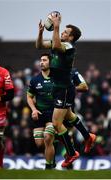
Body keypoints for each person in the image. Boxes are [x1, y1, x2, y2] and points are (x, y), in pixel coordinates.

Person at [36, 12, 96, 168]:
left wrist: (56, 25)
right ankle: (88, 136)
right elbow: (39, 45)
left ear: (71, 38)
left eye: (65, 32)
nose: (62, 32)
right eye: (62, 31)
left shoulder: (68, 46)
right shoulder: (60, 43)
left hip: (64, 89)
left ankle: (71, 153)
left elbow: (56, 45)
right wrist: (41, 32)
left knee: (56, 123)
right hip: (58, 88)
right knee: (69, 115)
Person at [27, 53, 55, 169]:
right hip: (39, 114)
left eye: (44, 60)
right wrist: (33, 109)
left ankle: (48, 166)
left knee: (48, 137)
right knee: (39, 144)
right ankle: (52, 152)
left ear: (50, 62)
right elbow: (29, 96)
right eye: (41, 60)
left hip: (53, 114)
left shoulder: (57, 78)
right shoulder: (35, 80)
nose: (41, 62)